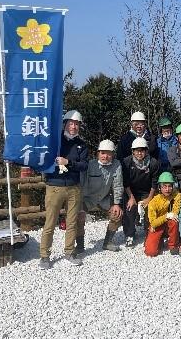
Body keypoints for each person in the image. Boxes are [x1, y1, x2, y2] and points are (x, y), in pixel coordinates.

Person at [39, 110, 88, 269]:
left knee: (72, 222)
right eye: (71, 123)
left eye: (76, 124)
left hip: (74, 187)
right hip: (54, 186)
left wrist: (68, 162)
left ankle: (69, 251)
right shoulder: (53, 140)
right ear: (65, 123)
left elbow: (84, 165)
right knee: (50, 222)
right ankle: (45, 256)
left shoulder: (81, 144)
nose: (73, 126)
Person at [77, 139, 123, 254]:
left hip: (104, 198)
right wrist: (80, 206)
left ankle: (108, 242)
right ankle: (80, 245)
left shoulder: (116, 165)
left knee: (117, 214)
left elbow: (118, 185)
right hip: (87, 198)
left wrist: (116, 204)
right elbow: (81, 184)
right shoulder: (90, 165)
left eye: (109, 153)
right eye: (103, 153)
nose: (105, 156)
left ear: (113, 154)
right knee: (78, 216)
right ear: (98, 153)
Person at [122, 137, 160, 247]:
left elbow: (154, 182)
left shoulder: (153, 163)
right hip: (131, 191)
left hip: (147, 191)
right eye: (137, 150)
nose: (139, 153)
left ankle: (148, 232)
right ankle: (129, 234)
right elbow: (125, 182)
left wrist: (149, 198)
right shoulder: (127, 162)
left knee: (150, 208)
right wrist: (131, 198)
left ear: (147, 151)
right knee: (130, 208)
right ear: (133, 151)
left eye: (142, 150)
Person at [145, 172, 181, 257]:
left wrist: (170, 216)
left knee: (174, 221)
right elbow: (153, 223)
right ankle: (159, 239)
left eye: (169, 186)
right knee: (151, 252)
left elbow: (175, 212)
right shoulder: (153, 202)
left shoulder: (177, 195)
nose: (167, 189)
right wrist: (166, 216)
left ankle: (173, 245)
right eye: (164, 186)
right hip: (157, 225)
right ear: (159, 188)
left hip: (169, 223)